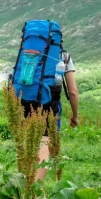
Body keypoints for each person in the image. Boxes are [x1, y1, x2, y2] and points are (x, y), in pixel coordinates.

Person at [25, 50, 80, 181]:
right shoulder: (63, 55)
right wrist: (75, 115)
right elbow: (72, 91)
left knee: (30, 145)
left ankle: (25, 184)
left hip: (24, 101)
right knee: (43, 145)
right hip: (48, 103)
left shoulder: (27, 49)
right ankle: (33, 190)